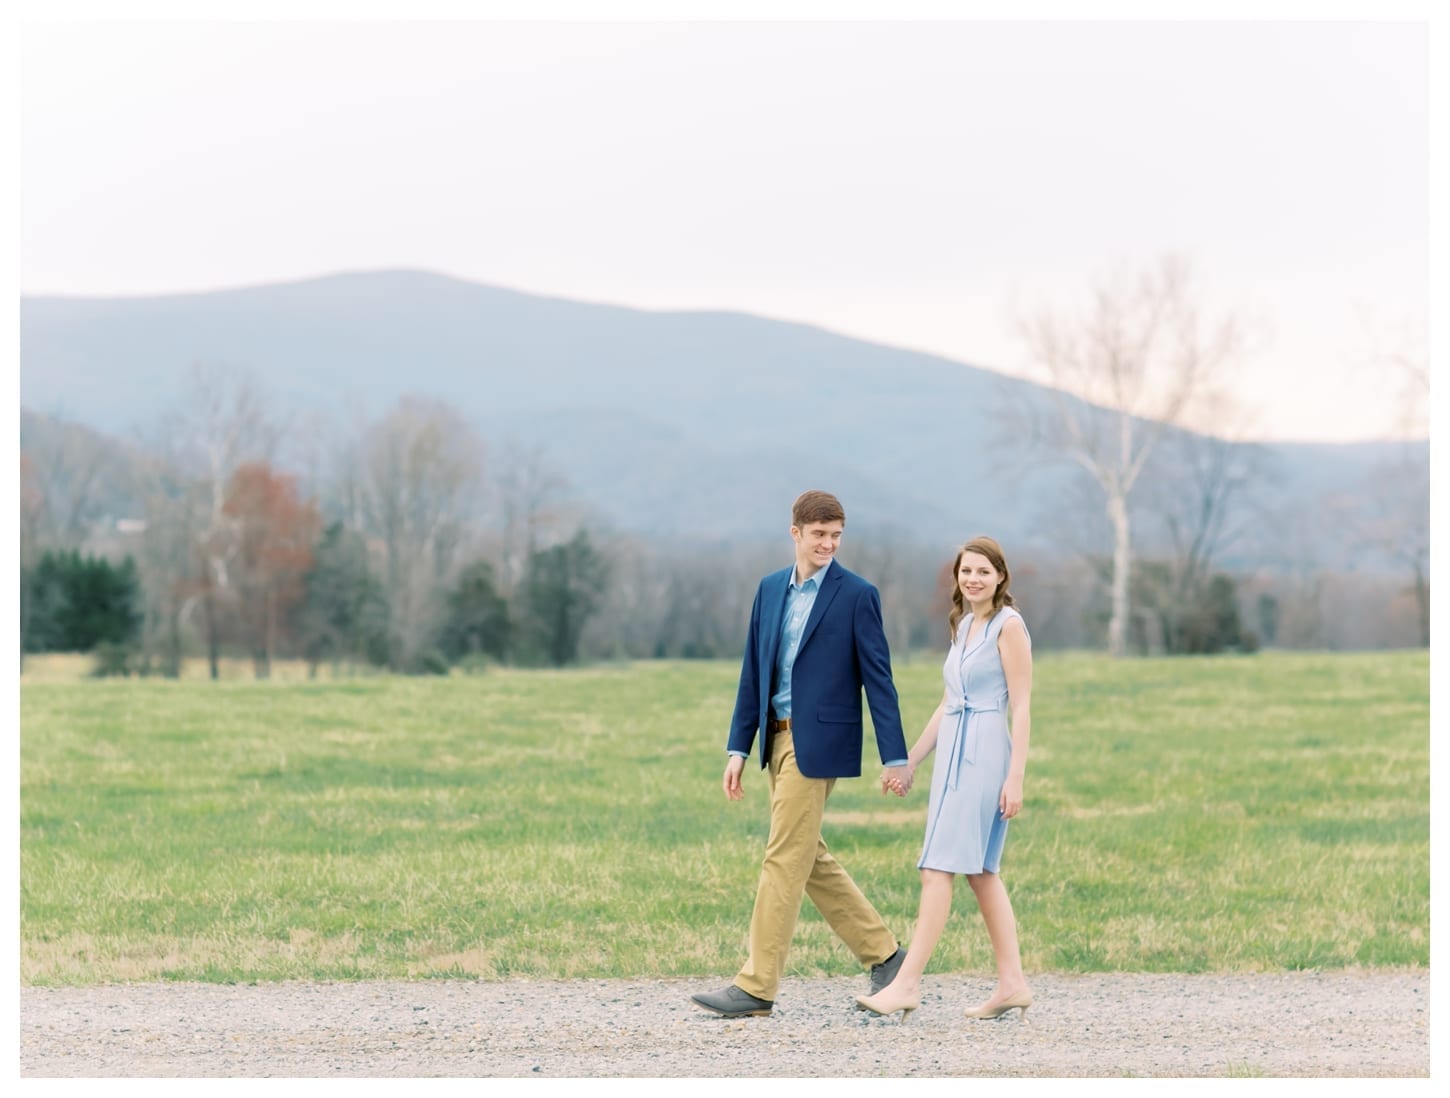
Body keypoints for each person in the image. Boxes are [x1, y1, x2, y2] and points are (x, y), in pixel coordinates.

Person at [690, 490, 913, 1019]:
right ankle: (886, 954)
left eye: (836, 536)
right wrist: (737, 748)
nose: (828, 545)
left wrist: (896, 755)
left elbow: (879, 680)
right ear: (796, 533)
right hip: (775, 738)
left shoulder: (857, 595)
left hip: (819, 744)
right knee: (807, 854)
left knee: (783, 856)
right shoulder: (769, 590)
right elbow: (754, 672)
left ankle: (756, 986)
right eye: (819, 535)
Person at [855, 535, 1034, 1022]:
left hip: (984, 755)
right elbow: (947, 702)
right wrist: (910, 761)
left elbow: (1020, 706)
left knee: (937, 870)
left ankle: (906, 983)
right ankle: (1012, 983)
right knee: (980, 872)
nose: (973, 579)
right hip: (954, 748)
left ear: (1000, 576)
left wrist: (1015, 777)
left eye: (982, 571)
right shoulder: (964, 624)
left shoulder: (1008, 626)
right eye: (965, 571)